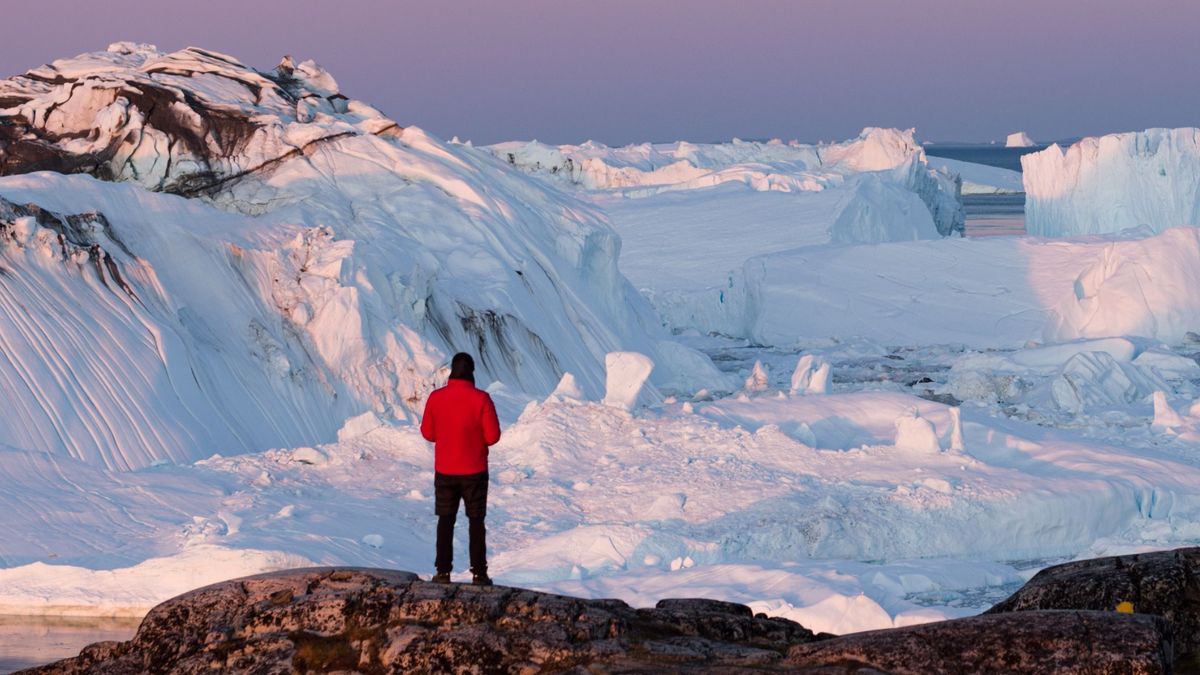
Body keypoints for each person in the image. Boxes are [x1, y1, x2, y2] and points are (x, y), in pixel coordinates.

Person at [420, 352, 501, 585]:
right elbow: (493, 436)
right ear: (472, 372)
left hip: (445, 471)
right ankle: (479, 574)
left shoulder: (436, 398)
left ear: (451, 372)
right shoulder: (481, 399)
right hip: (475, 472)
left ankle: (443, 572)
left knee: (445, 521)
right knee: (476, 522)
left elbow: (428, 433)